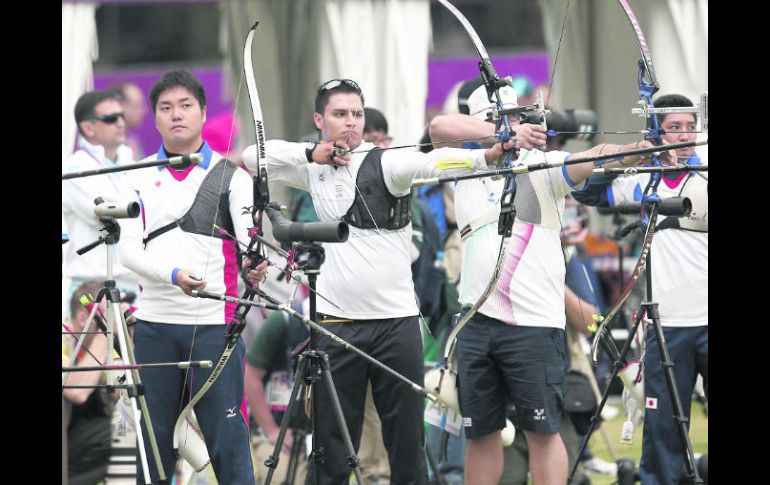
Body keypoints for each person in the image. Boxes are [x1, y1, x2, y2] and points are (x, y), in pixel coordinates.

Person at [244, 78, 510, 485]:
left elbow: (433, 163)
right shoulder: (310, 167)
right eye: (339, 114)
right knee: (332, 448)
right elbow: (250, 156)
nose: (351, 122)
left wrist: (490, 155)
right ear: (319, 119)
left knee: (405, 446)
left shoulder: (386, 162)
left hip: (396, 325)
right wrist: (312, 153)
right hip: (335, 326)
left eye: (356, 114)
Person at [428, 79, 673, 485]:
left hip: (533, 325)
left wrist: (639, 147)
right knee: (481, 433)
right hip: (476, 322)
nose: (509, 125)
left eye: (513, 117)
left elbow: (596, 156)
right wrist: (500, 134)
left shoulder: (543, 167)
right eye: (496, 119)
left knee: (543, 432)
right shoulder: (466, 165)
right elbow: (438, 127)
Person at [118, 70, 267, 485]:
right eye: (166, 108)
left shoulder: (233, 178)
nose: (176, 115)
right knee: (154, 444)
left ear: (202, 113)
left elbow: (249, 239)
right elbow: (128, 250)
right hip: (155, 327)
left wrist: (257, 263)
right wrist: (172, 275)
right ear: (155, 118)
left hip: (215, 328)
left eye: (186, 106)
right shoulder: (135, 175)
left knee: (227, 441)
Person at [572, 93, 707, 485]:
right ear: (657, 133)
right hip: (667, 327)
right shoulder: (642, 181)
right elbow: (587, 193)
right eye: (673, 128)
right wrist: (634, 155)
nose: (684, 135)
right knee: (663, 423)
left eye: (689, 127)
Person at [62, 90, 140, 317]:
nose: (120, 123)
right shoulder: (75, 167)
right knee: (93, 353)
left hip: (132, 286)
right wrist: (135, 205)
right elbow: (109, 212)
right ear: (88, 128)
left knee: (133, 353)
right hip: (89, 288)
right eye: (110, 118)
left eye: (121, 116)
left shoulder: (129, 160)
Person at [245, 298, 310, 483]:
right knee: (280, 478)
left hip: (319, 433)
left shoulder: (343, 326)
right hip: (278, 426)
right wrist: (272, 429)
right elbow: (250, 376)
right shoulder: (283, 320)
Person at [62, 280, 118, 485]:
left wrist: (126, 338)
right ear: (82, 318)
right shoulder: (64, 340)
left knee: (122, 429)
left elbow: (125, 398)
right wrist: (105, 333)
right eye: (104, 317)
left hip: (84, 439)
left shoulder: (104, 346)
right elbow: (76, 391)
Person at [109, 81, 149, 159]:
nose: (144, 110)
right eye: (138, 106)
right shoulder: (105, 146)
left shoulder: (134, 142)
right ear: (121, 106)